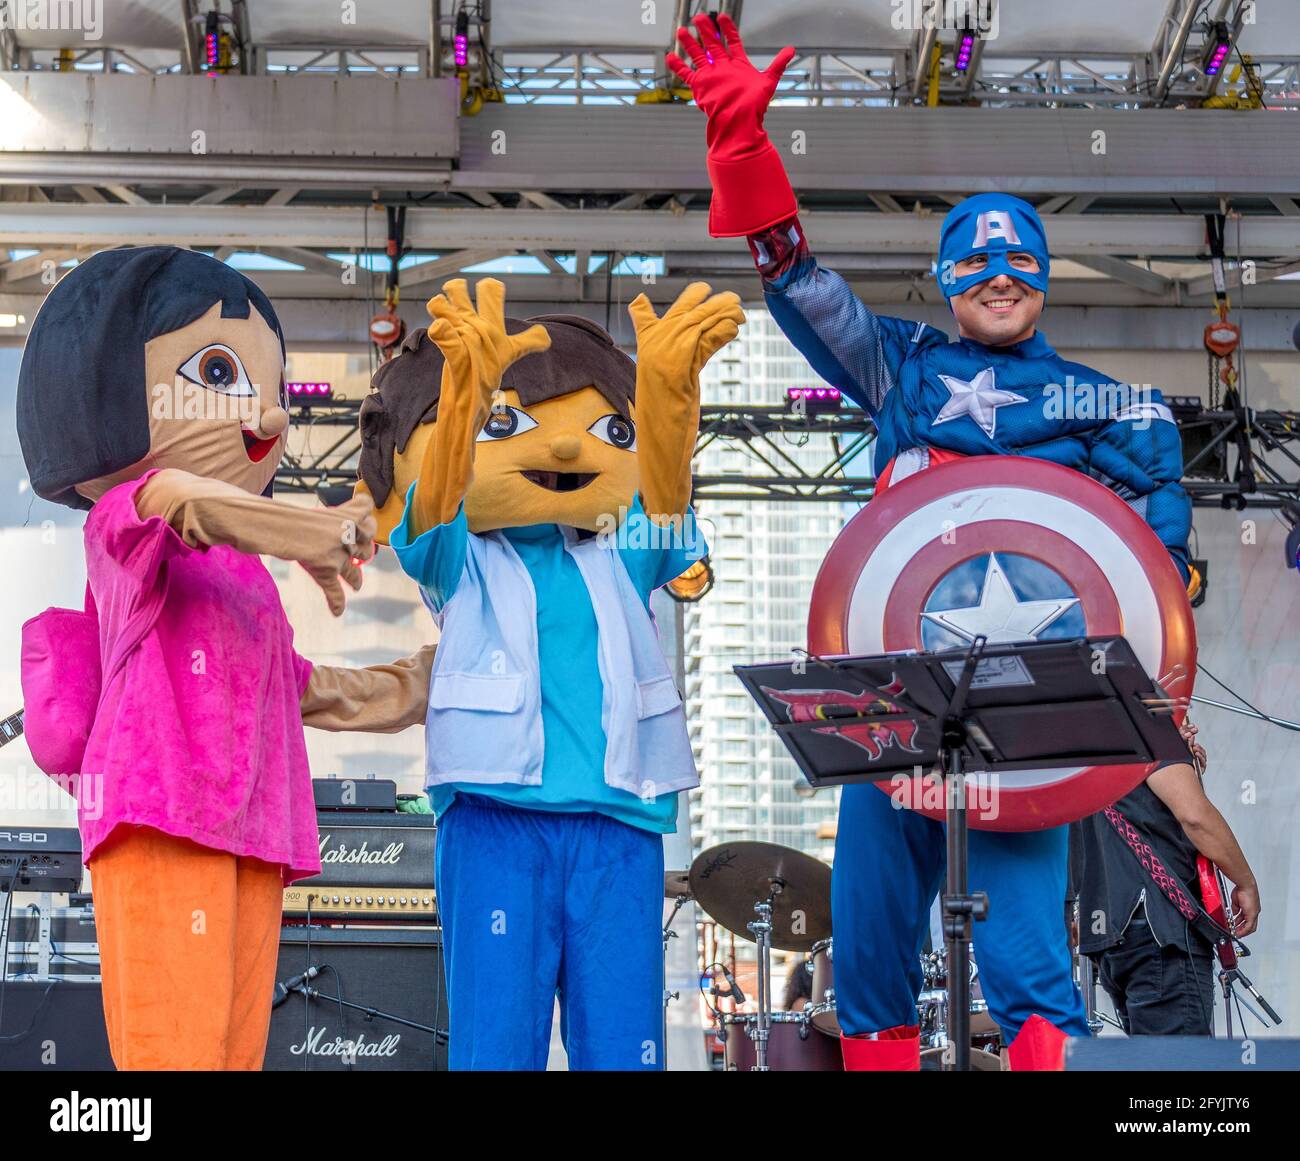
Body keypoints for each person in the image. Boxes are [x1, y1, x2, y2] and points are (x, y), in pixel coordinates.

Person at [669, 14, 1199, 1070]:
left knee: (1028, 972)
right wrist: (741, 150)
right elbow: (797, 282)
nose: (997, 276)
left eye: (1017, 262)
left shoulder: (1109, 405)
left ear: (1043, 278)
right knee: (866, 965)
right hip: (886, 716)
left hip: (1024, 723)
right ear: (948, 278)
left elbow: (1155, 574)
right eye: (973, 262)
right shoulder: (902, 370)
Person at [16, 246, 434, 1069]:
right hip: (163, 814)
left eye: (269, 389)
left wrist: (419, 684)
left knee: (232, 1052)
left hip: (255, 830)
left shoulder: (246, 576)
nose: (270, 418)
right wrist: (307, 530)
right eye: (218, 372)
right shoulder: (124, 519)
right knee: (171, 1049)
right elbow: (183, 500)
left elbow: (300, 688)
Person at [357, 277, 743, 1069]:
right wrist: (467, 389)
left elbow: (666, 507)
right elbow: (433, 503)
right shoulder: (461, 557)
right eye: (511, 422)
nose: (566, 448)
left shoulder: (622, 549)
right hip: (495, 818)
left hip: (618, 824)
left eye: (607, 426)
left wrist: (668, 399)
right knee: (496, 1046)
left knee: (624, 1049)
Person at [1072, 721, 1259, 1035]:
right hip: (1160, 933)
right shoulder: (1147, 720)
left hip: (1114, 932)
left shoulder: (1089, 728)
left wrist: (1184, 764)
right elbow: (1195, 817)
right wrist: (1246, 882)